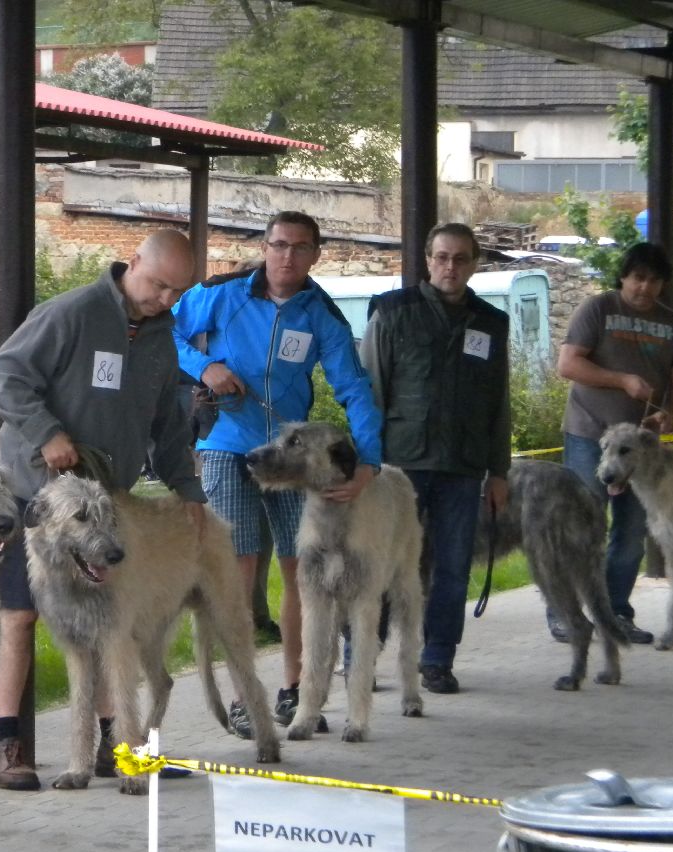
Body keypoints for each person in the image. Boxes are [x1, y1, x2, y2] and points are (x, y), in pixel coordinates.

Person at [0, 229, 206, 790]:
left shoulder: (161, 336)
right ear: (133, 262)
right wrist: (46, 432)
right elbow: (5, 375)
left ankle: (117, 747)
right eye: (159, 285)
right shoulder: (72, 313)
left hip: (105, 502)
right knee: (19, 614)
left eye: (177, 292)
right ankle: (5, 745)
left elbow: (168, 423)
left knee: (111, 622)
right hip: (34, 492)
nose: (166, 300)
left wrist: (187, 488)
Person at [171, 211, 381, 732]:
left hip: (291, 458)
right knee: (238, 571)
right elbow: (164, 331)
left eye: (300, 247)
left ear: (315, 254)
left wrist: (370, 462)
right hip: (227, 444)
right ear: (264, 247)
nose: (287, 256)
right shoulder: (220, 296)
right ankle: (247, 695)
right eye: (279, 245)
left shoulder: (322, 317)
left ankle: (296, 687)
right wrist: (206, 368)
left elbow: (353, 388)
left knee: (300, 572)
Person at [359, 223, 511, 695]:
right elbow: (371, 392)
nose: (451, 266)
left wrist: (499, 470)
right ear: (427, 260)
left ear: (474, 263)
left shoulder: (491, 322)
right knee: (381, 564)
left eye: (461, 258)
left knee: (452, 567)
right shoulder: (392, 312)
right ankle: (361, 656)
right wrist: (368, 462)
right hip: (399, 465)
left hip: (463, 467)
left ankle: (438, 659)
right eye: (442, 257)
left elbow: (498, 403)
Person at [551, 241, 673, 644]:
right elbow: (568, 364)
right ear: (623, 277)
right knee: (580, 526)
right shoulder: (598, 309)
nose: (644, 287)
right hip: (590, 435)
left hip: (643, 449)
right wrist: (622, 380)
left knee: (630, 533)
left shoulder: (672, 324)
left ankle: (615, 613)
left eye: (654, 280)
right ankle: (565, 613)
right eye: (637, 278)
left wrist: (671, 412)